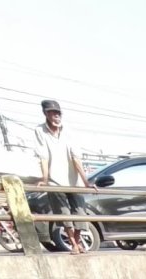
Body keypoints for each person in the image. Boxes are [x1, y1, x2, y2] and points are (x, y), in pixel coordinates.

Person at [34, 99, 95, 255]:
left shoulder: (68, 130)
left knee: (80, 212)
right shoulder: (40, 131)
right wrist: (45, 179)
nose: (56, 116)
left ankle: (77, 239)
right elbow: (43, 157)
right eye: (52, 113)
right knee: (64, 213)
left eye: (58, 113)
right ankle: (73, 243)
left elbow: (76, 156)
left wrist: (86, 181)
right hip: (55, 180)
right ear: (45, 114)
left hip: (73, 179)